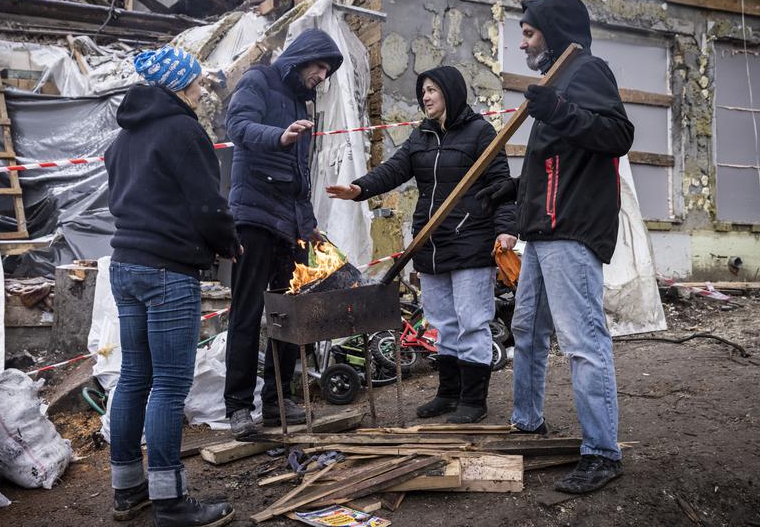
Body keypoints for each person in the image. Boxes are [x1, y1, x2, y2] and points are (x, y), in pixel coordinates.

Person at [478, 0, 634, 494]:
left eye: (528, 31)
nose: (522, 42)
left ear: (554, 31)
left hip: (573, 230)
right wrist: (512, 192)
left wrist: (560, 108)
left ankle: (602, 452)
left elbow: (616, 135)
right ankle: (527, 423)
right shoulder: (554, 82)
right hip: (544, 230)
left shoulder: (586, 71)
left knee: (583, 340)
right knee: (526, 329)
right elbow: (553, 167)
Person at [327, 66, 517, 424]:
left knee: (471, 323)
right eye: (423, 91)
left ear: (450, 91)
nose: (425, 96)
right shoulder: (422, 135)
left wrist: (506, 230)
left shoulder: (480, 132)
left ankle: (474, 401)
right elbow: (394, 170)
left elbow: (501, 185)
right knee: (442, 323)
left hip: (471, 240)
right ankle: (448, 393)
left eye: (432, 90)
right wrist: (359, 189)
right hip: (430, 243)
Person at [105, 46, 240, 527]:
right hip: (167, 271)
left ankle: (127, 492)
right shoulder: (183, 131)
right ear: (179, 86)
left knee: (134, 378)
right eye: (199, 84)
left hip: (124, 266)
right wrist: (229, 244)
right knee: (169, 384)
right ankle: (170, 502)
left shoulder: (122, 139)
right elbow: (207, 205)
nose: (203, 92)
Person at [224, 28, 344, 438]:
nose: (322, 77)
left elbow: (299, 176)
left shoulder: (300, 100)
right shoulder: (258, 79)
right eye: (320, 67)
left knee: (289, 315)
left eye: (327, 72)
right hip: (253, 218)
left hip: (289, 225)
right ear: (303, 57)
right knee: (246, 312)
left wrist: (307, 225)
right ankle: (238, 407)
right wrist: (279, 135)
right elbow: (237, 126)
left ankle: (278, 401)